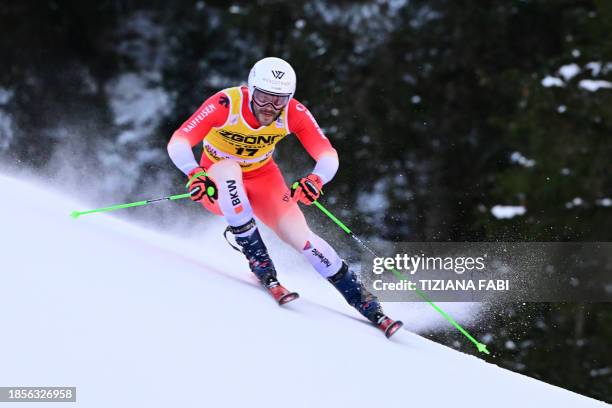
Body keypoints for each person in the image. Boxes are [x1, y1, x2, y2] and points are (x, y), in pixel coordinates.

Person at [167, 57, 402, 337]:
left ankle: (367, 304)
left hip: (264, 180)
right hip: (216, 181)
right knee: (229, 171)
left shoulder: (294, 112)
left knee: (304, 239)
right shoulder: (226, 104)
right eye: (264, 98)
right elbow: (179, 140)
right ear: (251, 90)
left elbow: (327, 155)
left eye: (279, 101)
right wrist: (194, 172)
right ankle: (261, 264)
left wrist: (316, 179)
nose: (270, 108)